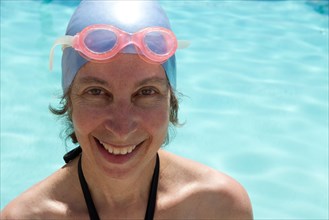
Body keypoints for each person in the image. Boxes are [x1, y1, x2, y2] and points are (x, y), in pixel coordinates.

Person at [1, 1, 253, 219]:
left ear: (170, 101)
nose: (122, 128)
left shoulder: (218, 208)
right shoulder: (26, 217)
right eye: (97, 92)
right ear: (69, 101)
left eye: (145, 93)